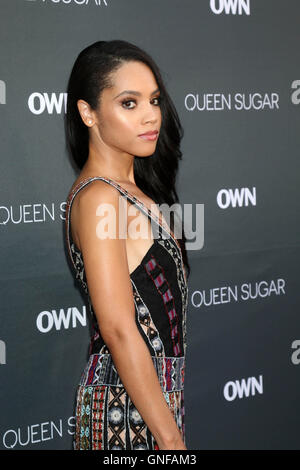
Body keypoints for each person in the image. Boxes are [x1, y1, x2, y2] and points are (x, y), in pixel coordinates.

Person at [64, 40, 190, 450]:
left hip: (151, 404)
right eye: (129, 103)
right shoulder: (100, 197)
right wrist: (171, 439)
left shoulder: (133, 191)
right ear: (89, 113)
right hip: (124, 413)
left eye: (154, 100)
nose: (151, 115)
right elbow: (118, 328)